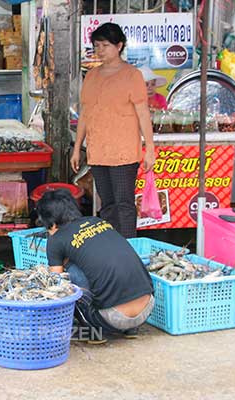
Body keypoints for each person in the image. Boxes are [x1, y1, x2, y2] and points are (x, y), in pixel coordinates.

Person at [71, 22, 156, 238]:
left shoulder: (132, 75)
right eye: (97, 46)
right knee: (107, 204)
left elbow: (143, 113)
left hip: (124, 152)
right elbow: (85, 114)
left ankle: (129, 248)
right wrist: (76, 149)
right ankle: (111, 248)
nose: (100, 50)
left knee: (124, 203)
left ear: (119, 46)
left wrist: (150, 148)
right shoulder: (91, 76)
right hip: (98, 151)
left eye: (105, 45)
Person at [37, 189, 154, 343]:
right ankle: (130, 329)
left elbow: (56, 284)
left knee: (70, 272)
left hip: (113, 318)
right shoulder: (98, 221)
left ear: (48, 219)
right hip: (147, 308)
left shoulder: (56, 239)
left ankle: (93, 333)